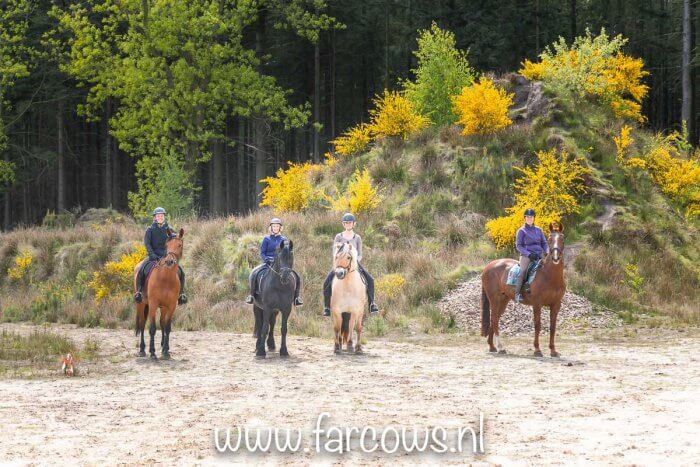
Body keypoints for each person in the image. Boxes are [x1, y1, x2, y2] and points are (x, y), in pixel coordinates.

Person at [322, 213, 379, 317]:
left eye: (350, 222)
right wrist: (338, 262)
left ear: (354, 224)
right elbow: (334, 253)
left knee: (370, 280)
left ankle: (372, 304)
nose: (348, 224)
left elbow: (360, 253)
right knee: (326, 282)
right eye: (346, 223)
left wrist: (355, 261)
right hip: (340, 264)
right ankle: (327, 307)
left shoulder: (357, 238)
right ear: (343, 224)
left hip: (353, 264)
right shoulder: (338, 236)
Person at [134, 207, 187, 305]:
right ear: (155, 218)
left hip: (166, 257)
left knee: (181, 272)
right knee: (142, 269)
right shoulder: (150, 230)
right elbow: (147, 244)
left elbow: (173, 240)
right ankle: (139, 292)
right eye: (158, 216)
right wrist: (152, 254)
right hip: (153, 256)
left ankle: (181, 294)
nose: (160, 217)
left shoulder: (169, 229)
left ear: (164, 217)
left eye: (162, 216)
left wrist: (178, 237)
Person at [244, 218, 303, 306]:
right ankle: (251, 295)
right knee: (254, 273)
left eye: (277, 226)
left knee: (296, 276)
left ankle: (296, 298)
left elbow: (286, 253)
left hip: (281, 264)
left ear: (280, 228)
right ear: (271, 228)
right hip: (268, 263)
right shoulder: (266, 239)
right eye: (274, 226)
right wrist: (267, 259)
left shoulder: (284, 239)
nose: (275, 228)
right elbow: (262, 252)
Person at [513, 208, 549, 303]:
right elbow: (519, 246)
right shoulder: (521, 231)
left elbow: (544, 243)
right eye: (528, 217)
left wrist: (547, 251)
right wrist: (529, 254)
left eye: (531, 217)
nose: (529, 219)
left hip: (538, 255)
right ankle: (517, 294)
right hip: (526, 256)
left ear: (534, 218)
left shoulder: (539, 230)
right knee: (523, 271)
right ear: (525, 218)